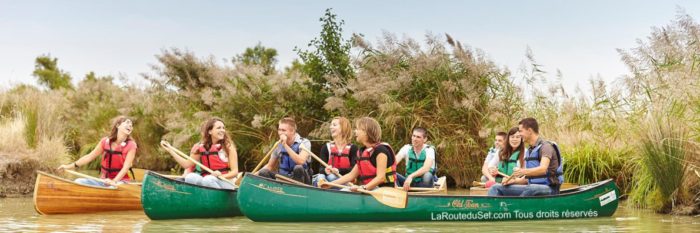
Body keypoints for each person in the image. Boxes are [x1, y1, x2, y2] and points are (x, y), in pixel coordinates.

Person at [488, 118, 564, 196]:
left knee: (532, 188)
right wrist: (513, 181)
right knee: (495, 187)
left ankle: (516, 206)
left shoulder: (546, 147)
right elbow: (527, 180)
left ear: (529, 131)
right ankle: (496, 208)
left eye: (521, 131)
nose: (519, 134)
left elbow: (543, 169)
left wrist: (522, 171)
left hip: (549, 188)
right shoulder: (530, 151)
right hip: (531, 187)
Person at [320, 117, 397, 192]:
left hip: (383, 190)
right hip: (369, 189)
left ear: (366, 132)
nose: (355, 132)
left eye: (357, 129)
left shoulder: (381, 150)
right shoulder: (362, 152)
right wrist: (330, 184)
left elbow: (381, 178)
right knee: (343, 191)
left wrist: (363, 188)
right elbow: (351, 175)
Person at [57, 116, 137, 187]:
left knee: (112, 188)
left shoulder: (131, 145)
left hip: (120, 182)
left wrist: (114, 181)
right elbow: (89, 157)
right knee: (78, 181)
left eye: (131, 125)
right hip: (103, 181)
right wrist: (68, 166)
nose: (130, 125)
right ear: (117, 125)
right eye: (127, 123)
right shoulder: (105, 142)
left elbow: (126, 168)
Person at [162, 117, 239, 189]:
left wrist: (221, 175)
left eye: (223, 128)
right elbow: (186, 164)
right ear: (210, 131)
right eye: (219, 128)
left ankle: (217, 200)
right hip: (207, 179)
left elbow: (235, 172)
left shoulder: (229, 147)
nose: (222, 130)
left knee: (208, 179)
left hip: (225, 181)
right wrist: (170, 150)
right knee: (190, 177)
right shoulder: (201, 147)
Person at [257, 117, 313, 184]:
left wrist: (285, 145)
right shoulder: (278, 145)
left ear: (292, 131)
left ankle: (297, 191)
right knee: (263, 172)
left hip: (301, 179)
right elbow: (270, 166)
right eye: (279, 130)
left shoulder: (304, 142)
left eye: (283, 130)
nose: (280, 133)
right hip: (283, 178)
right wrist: (252, 175)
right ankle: (275, 190)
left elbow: (300, 161)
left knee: (298, 168)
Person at [312, 117, 358, 187]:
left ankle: (325, 185)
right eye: (331, 125)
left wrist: (338, 170)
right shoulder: (326, 147)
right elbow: (321, 169)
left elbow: (353, 169)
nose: (331, 127)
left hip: (345, 181)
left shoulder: (353, 148)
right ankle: (322, 184)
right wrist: (325, 170)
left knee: (332, 177)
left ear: (343, 128)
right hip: (328, 178)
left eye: (334, 125)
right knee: (321, 176)